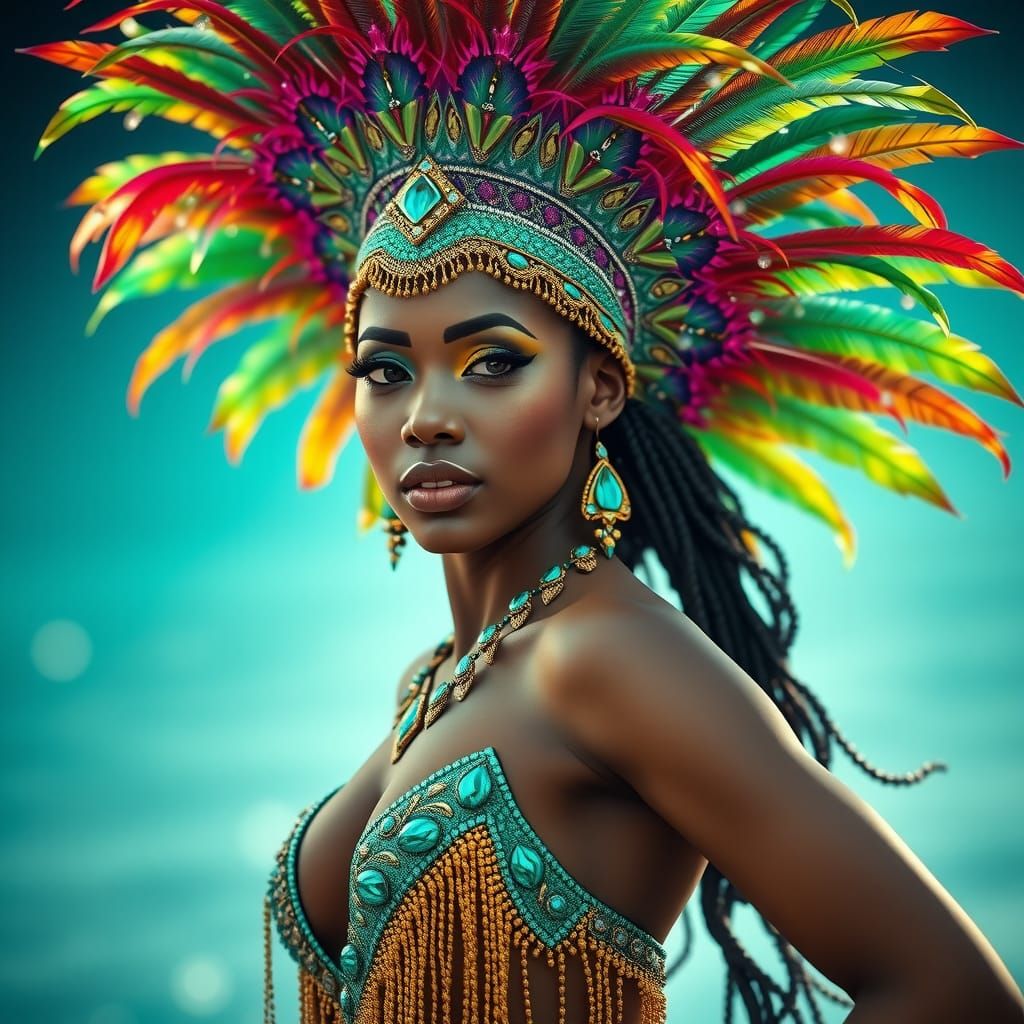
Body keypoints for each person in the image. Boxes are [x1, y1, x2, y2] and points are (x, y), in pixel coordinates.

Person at [25, 1, 1024, 1022]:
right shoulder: (433, 680)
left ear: (597, 390)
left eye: (490, 362)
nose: (424, 418)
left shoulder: (607, 659)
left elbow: (951, 992)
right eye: (384, 368)